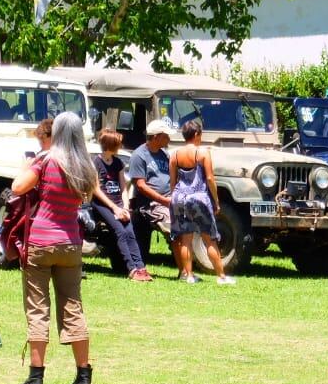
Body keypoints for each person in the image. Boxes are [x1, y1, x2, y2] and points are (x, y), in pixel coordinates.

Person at [12, 111, 96, 384]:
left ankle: (36, 377)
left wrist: (27, 165)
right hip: (71, 243)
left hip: (41, 241)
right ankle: (84, 376)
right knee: (73, 306)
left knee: (38, 308)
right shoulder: (85, 166)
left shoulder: (46, 161)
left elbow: (17, 187)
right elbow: (88, 194)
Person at [169, 119, 232, 285]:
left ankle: (188, 276)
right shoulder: (203, 153)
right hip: (198, 198)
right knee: (209, 238)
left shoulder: (174, 154)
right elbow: (210, 178)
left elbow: (173, 182)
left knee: (186, 240)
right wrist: (216, 201)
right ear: (196, 134)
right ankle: (221, 277)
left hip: (179, 198)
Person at [92, 129, 151, 281]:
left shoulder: (118, 162)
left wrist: (125, 207)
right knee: (120, 231)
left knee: (130, 232)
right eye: (118, 143)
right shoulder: (96, 163)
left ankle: (141, 267)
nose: (120, 145)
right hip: (103, 204)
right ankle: (131, 269)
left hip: (118, 203)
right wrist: (115, 208)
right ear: (110, 145)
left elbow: (123, 187)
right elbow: (96, 190)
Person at [128, 119, 174, 265]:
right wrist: (163, 200)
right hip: (149, 204)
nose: (169, 139)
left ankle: (185, 265)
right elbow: (140, 185)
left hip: (168, 199)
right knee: (173, 222)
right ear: (156, 137)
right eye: (166, 136)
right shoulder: (139, 155)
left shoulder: (164, 154)